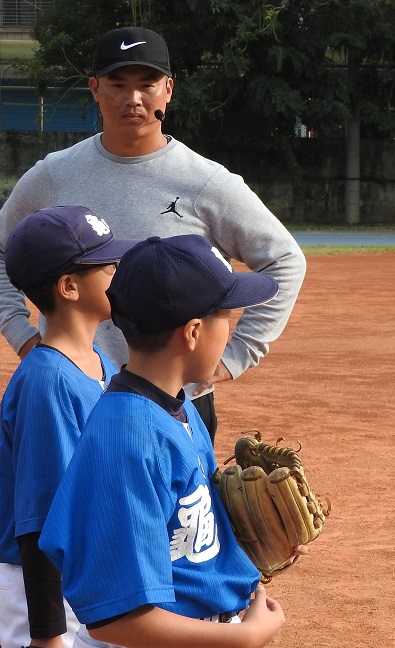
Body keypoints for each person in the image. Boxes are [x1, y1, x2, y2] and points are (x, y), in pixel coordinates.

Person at [0, 26, 306, 443]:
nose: (133, 98)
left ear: (168, 90)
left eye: (147, 84)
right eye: (117, 84)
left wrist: (234, 357)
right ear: (94, 89)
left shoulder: (206, 181)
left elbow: (284, 260)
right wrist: (22, 335)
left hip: (174, 400)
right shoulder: (54, 174)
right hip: (78, 391)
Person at [39, 235, 294, 648]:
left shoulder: (178, 405)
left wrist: (258, 540)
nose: (229, 334)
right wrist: (243, 638)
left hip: (202, 629)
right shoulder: (127, 441)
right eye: (226, 319)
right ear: (193, 331)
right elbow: (115, 618)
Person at [0, 206, 138, 648]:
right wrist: (48, 636)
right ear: (69, 287)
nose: (120, 273)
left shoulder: (99, 360)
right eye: (108, 267)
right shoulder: (48, 381)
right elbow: (40, 517)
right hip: (38, 590)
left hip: (83, 570)